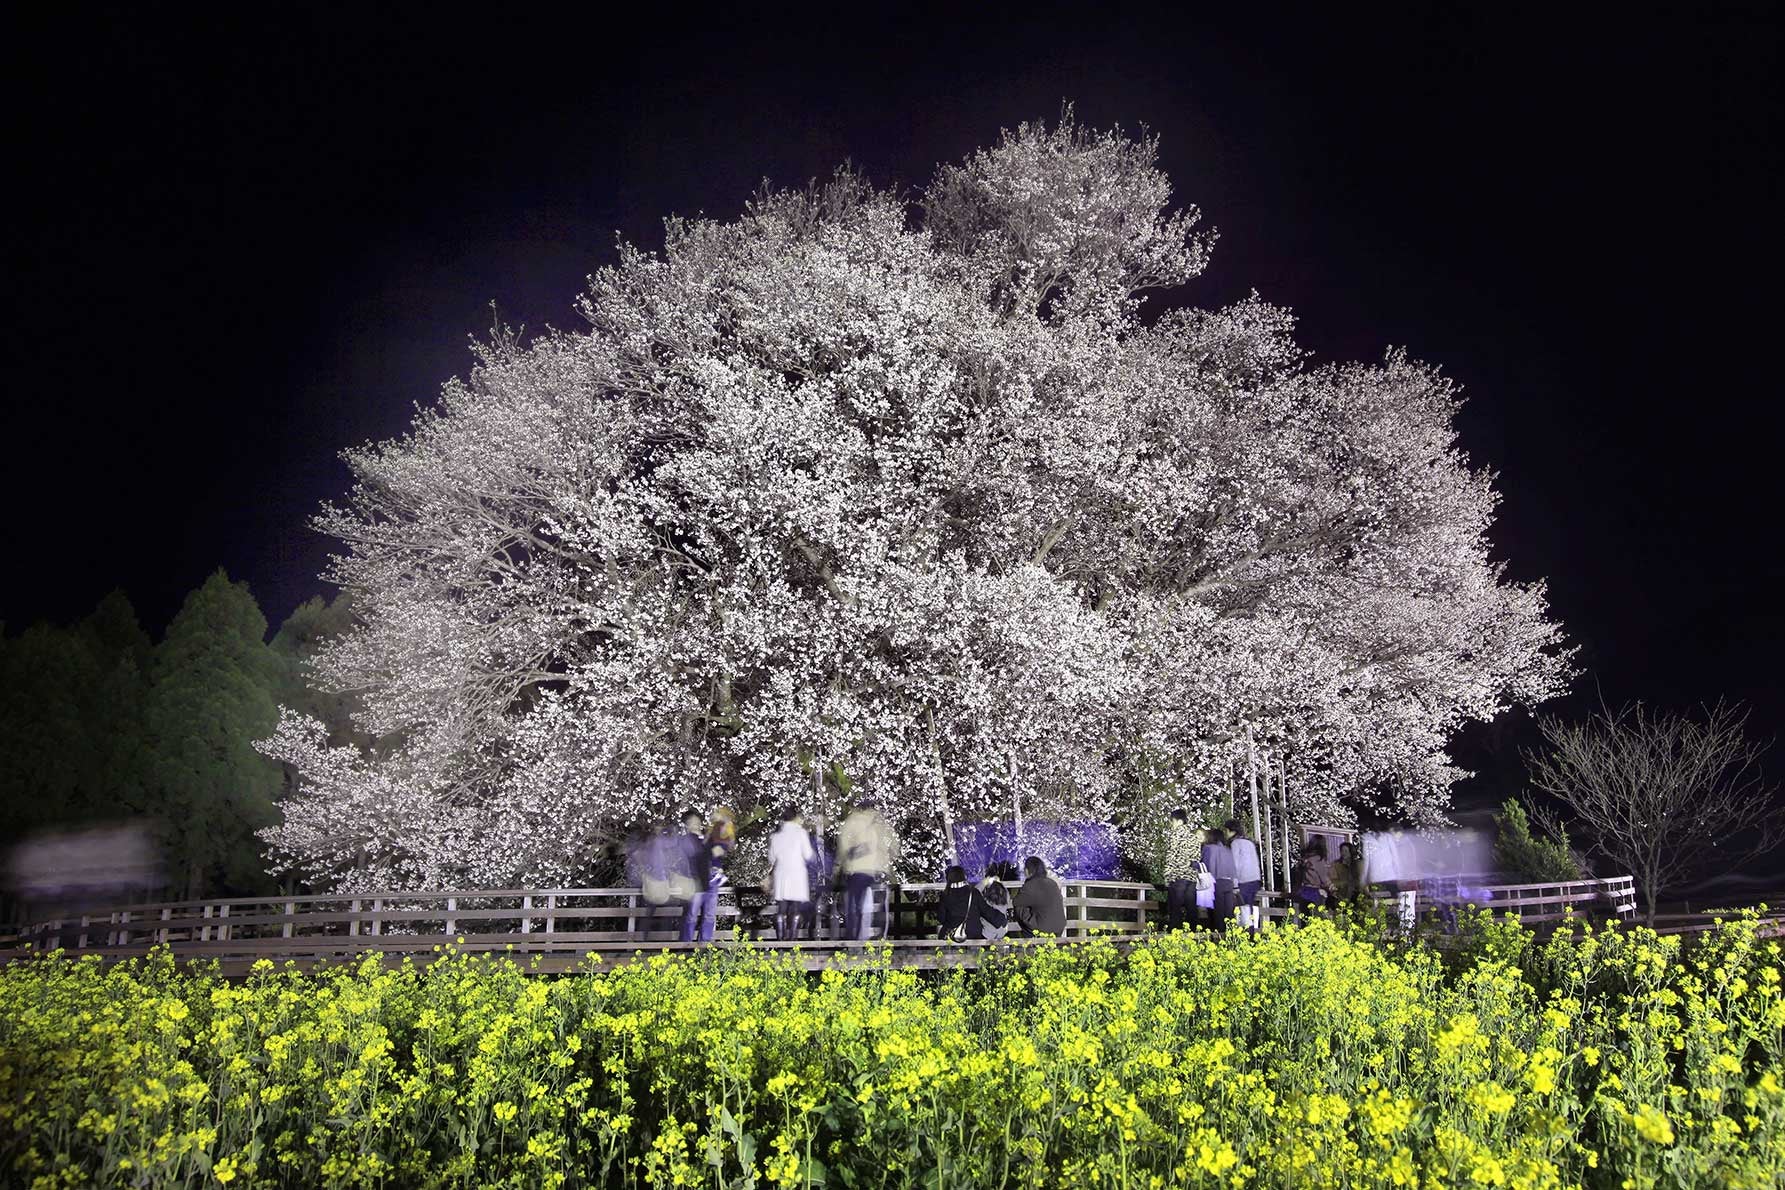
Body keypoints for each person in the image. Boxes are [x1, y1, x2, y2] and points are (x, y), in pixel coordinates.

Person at [838, 800, 897, 941]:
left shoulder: (853, 821)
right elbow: (893, 843)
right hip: (878, 870)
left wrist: (845, 862)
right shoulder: (880, 823)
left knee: (856, 906)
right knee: (879, 906)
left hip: (858, 870)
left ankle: (855, 939)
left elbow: (843, 845)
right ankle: (880, 937)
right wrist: (889, 857)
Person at [680, 808, 734, 943]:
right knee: (691, 915)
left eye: (696, 821)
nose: (695, 824)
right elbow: (694, 855)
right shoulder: (686, 840)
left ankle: (704, 944)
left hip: (712, 881)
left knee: (709, 915)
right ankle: (685, 945)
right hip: (696, 881)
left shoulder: (709, 836)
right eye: (691, 822)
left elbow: (723, 847)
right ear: (686, 825)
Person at [767, 806, 817, 942]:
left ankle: (780, 940)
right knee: (795, 908)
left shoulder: (776, 835)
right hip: (796, 873)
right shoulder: (801, 833)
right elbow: (808, 854)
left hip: (782, 873)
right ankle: (792, 939)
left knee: (781, 908)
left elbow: (771, 857)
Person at [937, 864, 1006, 941]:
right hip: (973, 935)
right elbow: (986, 911)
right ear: (964, 877)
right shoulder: (973, 893)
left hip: (951, 934)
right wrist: (1001, 919)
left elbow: (941, 918)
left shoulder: (945, 895)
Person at [1161, 809, 1202, 930]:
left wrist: (1167, 876)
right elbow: (1197, 858)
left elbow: (1171, 855)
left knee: (1175, 908)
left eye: (1172, 821)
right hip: (1191, 877)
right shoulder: (1194, 837)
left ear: (1179, 821)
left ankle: (1174, 934)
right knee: (1191, 908)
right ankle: (1194, 933)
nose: (1171, 824)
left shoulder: (1175, 835)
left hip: (1178, 875)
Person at [1012, 855, 1067, 937]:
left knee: (1019, 906)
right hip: (1059, 928)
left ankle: (1029, 936)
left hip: (1043, 930)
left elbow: (1016, 902)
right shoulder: (1052, 883)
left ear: (1028, 870)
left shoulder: (1030, 885)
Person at [1225, 819, 1263, 932]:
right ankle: (1250, 932)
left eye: (1226, 830)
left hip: (1243, 880)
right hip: (1254, 880)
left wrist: (1235, 884)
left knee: (1242, 909)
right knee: (1248, 908)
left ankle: (1245, 934)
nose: (1226, 833)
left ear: (1232, 831)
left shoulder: (1235, 843)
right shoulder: (1249, 842)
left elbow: (1235, 864)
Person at [1201, 826, 1236, 927]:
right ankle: (1231, 938)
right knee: (1229, 915)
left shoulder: (1209, 848)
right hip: (1229, 883)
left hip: (1216, 883)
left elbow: (1205, 867)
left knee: (1217, 915)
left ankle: (1218, 938)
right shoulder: (1228, 850)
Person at [1292, 836, 1332, 914]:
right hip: (1315, 893)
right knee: (1316, 917)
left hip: (1303, 891)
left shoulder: (1305, 858)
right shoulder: (1318, 859)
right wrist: (1333, 889)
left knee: (1304, 917)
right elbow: (1323, 878)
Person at [979, 870, 1013, 942]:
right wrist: (998, 882)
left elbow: (975, 892)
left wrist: (983, 883)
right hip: (1002, 931)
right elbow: (1003, 889)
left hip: (987, 933)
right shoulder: (1005, 894)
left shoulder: (985, 899)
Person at [1330, 840, 1363, 907]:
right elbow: (1333, 880)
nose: (1343, 853)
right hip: (1342, 895)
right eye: (1342, 851)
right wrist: (1343, 883)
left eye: (1346, 851)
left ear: (1351, 852)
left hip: (1356, 894)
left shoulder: (1357, 864)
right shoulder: (1336, 865)